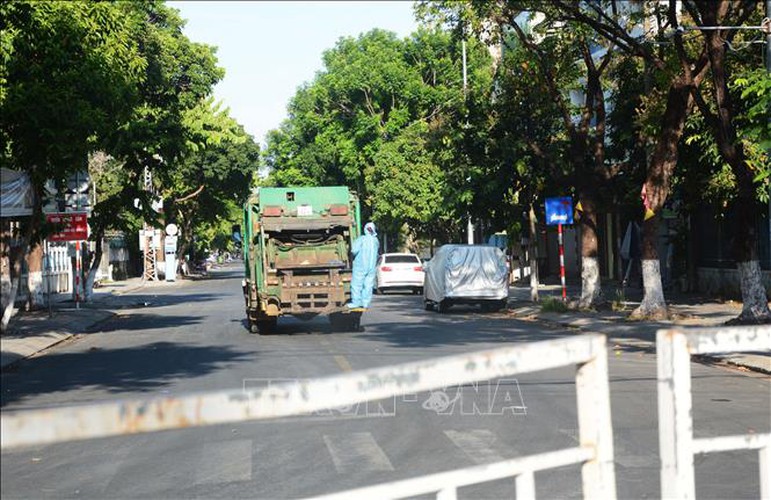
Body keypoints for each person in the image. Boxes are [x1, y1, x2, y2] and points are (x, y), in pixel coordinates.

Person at [349, 221, 379, 310]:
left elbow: (353, 250)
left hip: (360, 266)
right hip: (371, 267)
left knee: (357, 284)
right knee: (368, 285)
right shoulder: (375, 241)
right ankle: (365, 303)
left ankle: (356, 303)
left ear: (365, 229)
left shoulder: (362, 239)